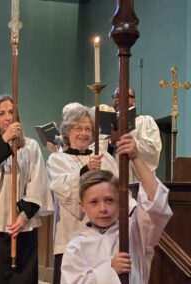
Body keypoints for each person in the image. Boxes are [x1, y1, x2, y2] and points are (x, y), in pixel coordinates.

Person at [60, 133, 172, 284]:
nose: (103, 208)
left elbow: (156, 204)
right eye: (94, 202)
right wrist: (110, 269)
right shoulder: (76, 247)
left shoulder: (134, 231)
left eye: (110, 200)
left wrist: (136, 157)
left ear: (120, 202)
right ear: (82, 206)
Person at [0, 95, 54, 284]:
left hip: (21, 227)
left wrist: (24, 216)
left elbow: (37, 184)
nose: (7, 117)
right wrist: (5, 140)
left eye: (11, 112)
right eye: (2, 113)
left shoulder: (30, 146)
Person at [46, 105, 118, 284]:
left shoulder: (105, 158)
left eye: (88, 129)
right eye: (78, 128)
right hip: (71, 235)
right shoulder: (57, 159)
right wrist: (86, 170)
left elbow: (117, 189)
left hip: (106, 240)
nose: (84, 133)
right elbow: (63, 190)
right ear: (67, 131)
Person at [111, 87, 162, 182]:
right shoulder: (108, 124)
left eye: (123, 96)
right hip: (114, 178)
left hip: (137, 180)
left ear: (134, 100)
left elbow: (153, 150)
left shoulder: (146, 121)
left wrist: (129, 142)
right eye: (116, 96)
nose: (118, 99)